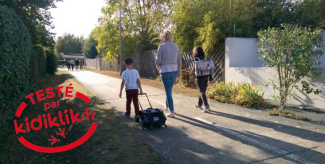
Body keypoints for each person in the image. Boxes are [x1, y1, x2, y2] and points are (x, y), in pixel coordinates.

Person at [155, 30, 182, 118]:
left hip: (165, 70)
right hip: (174, 71)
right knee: (169, 90)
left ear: (163, 37)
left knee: (168, 92)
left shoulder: (161, 46)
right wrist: (179, 72)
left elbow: (158, 60)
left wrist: (157, 66)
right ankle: (167, 105)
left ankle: (172, 111)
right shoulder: (176, 47)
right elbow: (179, 61)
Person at [119, 57, 143, 122]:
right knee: (136, 102)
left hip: (128, 89)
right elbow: (138, 81)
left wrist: (120, 91)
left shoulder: (125, 72)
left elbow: (123, 82)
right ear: (133, 64)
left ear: (125, 65)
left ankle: (128, 113)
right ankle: (137, 114)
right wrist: (141, 89)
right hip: (135, 89)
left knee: (128, 102)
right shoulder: (136, 71)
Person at [193, 46, 212, 112]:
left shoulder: (196, 59)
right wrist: (210, 78)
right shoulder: (205, 59)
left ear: (196, 52)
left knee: (202, 92)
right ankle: (199, 104)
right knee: (202, 91)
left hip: (199, 77)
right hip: (206, 77)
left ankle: (206, 106)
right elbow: (209, 69)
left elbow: (194, 69)